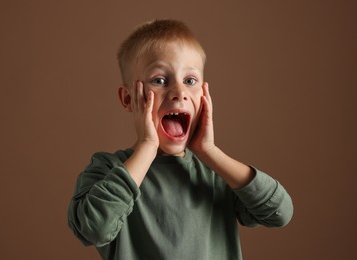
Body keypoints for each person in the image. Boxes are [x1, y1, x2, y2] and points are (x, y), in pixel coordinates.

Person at [68, 19, 293, 260]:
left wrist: (210, 152)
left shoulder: (216, 175)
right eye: (159, 80)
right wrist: (147, 147)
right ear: (128, 98)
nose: (179, 93)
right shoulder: (107, 169)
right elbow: (93, 229)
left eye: (190, 81)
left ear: (204, 95)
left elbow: (279, 213)